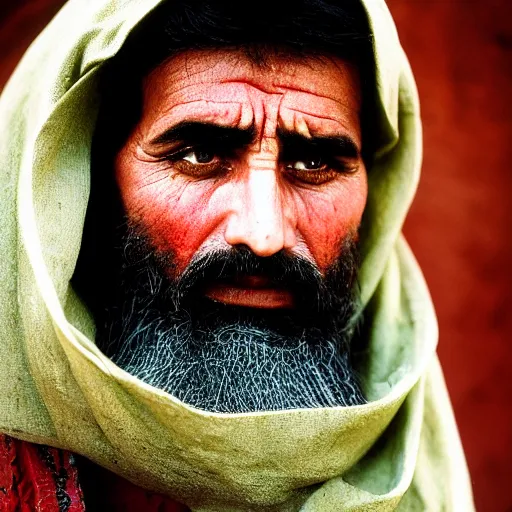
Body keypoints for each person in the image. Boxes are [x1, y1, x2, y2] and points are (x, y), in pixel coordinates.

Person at [0, 0, 474, 510]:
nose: (263, 233)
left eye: (313, 161)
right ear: (83, 180)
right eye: (200, 154)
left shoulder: (406, 451)